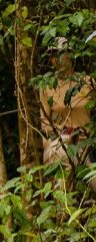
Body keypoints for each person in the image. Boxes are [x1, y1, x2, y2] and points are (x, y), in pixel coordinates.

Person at [39, 37, 94, 177]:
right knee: (59, 168)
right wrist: (49, 144)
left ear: (70, 55)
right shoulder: (47, 86)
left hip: (86, 140)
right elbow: (44, 123)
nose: (56, 59)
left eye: (60, 54)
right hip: (61, 141)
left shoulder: (87, 82)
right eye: (53, 55)